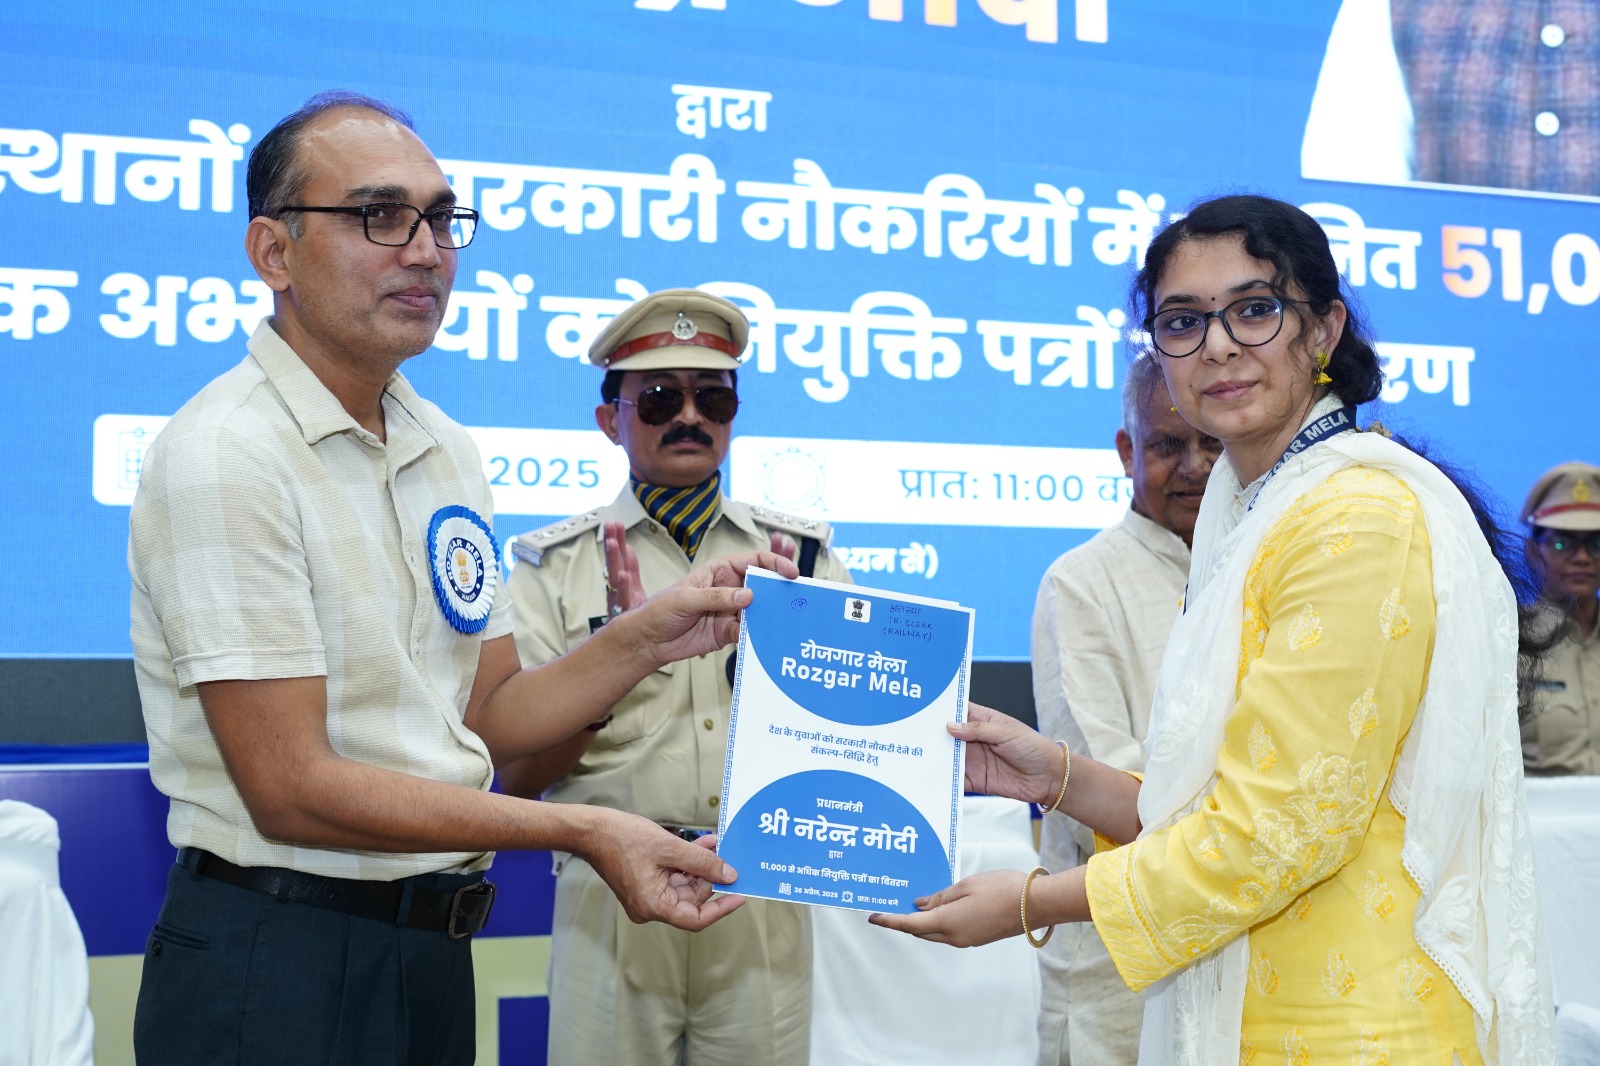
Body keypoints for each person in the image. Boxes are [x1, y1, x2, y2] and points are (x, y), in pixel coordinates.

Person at [127, 93, 795, 1066]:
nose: (425, 251)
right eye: (379, 216)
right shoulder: (227, 453)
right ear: (274, 252)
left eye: (442, 220)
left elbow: (488, 714)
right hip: (278, 956)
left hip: (429, 952)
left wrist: (653, 636)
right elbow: (289, 789)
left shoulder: (445, 450)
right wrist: (582, 828)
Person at [874, 195, 1556, 1064]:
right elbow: (1218, 802)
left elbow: (1273, 830)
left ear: (1323, 330)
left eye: (1254, 309)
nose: (1219, 346)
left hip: (1356, 1029)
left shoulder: (1354, 519)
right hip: (1264, 1012)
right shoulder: (1256, 514)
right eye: (1183, 322)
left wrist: (1029, 902)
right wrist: (1058, 777)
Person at [503, 288, 851, 1066]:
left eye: (712, 398)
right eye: (661, 398)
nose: (689, 417)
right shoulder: (552, 568)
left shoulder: (801, 562)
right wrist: (618, 659)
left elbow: (848, 744)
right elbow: (519, 777)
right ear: (610, 419)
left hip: (758, 887)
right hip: (611, 891)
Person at [1030, 352, 1219, 1065]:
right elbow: (1100, 787)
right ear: (1126, 451)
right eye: (1169, 444)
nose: (1196, 466)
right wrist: (1249, 828)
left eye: (1212, 442)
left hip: (1244, 958)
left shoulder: (1260, 568)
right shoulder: (1081, 583)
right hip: (1116, 978)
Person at [1520, 461, 1600, 775]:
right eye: (1562, 543)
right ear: (1532, 552)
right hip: (1538, 807)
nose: (1582, 557)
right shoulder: (1511, 642)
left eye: (1596, 543)